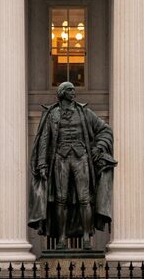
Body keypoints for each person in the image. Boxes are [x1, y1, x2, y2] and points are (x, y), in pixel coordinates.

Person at [28, 82, 116, 250]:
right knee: (61, 200)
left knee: (85, 199)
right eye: (69, 90)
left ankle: (86, 237)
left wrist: (98, 147)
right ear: (62, 93)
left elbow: (105, 130)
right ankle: (61, 238)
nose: (73, 92)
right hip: (60, 158)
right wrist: (41, 164)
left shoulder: (84, 112)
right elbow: (44, 140)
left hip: (81, 158)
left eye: (74, 90)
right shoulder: (52, 114)